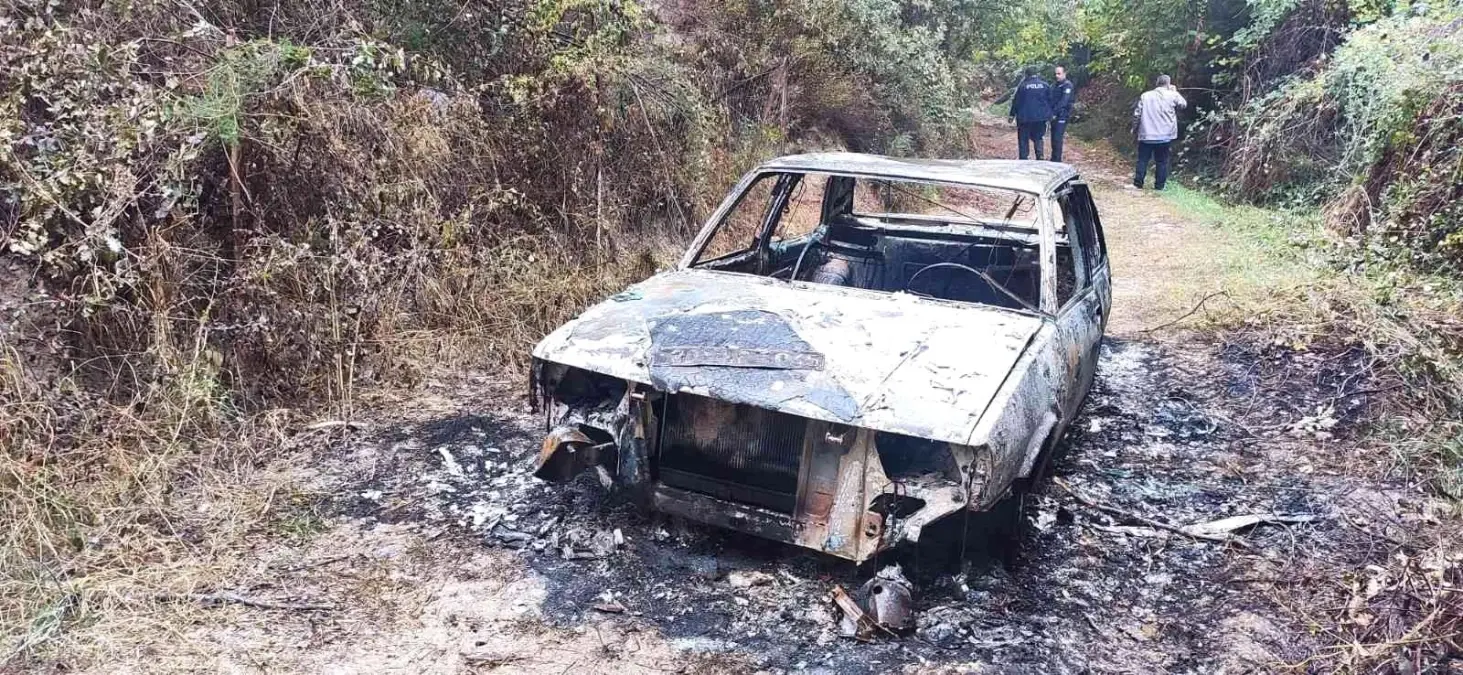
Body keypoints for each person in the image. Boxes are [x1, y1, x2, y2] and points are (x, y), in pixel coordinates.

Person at [1132, 74, 1187, 189]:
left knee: (1142, 160)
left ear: (1157, 83)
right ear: (1168, 84)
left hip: (1146, 135)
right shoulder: (1173, 95)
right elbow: (1183, 104)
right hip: (1165, 136)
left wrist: (1135, 128)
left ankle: (1138, 183)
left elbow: (1137, 114)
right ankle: (1159, 186)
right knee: (1162, 161)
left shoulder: (1145, 95)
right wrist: (1175, 91)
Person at [1008, 65, 1054, 160]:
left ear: (1026, 74)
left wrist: (1012, 115)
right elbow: (1051, 101)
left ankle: (1024, 157)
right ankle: (1040, 155)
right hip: (1040, 118)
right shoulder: (1045, 85)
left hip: (1024, 118)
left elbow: (1016, 101)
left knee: (1023, 138)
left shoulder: (1022, 86)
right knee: (1038, 136)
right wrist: (1050, 114)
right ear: (1037, 74)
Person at [1050, 65, 1076, 163]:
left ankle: (1057, 160)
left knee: (1057, 138)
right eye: (1056, 74)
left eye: (1059, 73)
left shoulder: (1067, 85)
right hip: (1053, 115)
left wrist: (1054, 112)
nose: (1057, 76)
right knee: (1053, 138)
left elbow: (1064, 101)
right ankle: (1053, 158)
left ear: (1064, 74)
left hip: (1062, 115)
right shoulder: (1054, 85)